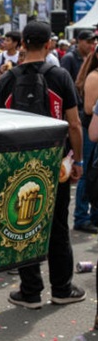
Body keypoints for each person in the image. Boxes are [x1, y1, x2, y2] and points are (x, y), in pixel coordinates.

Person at [0, 20, 85, 309]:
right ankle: (62, 288)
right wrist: (77, 161)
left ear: (21, 43)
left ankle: (30, 290)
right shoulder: (60, 76)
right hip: (55, 164)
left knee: (23, 226)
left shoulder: (9, 78)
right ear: (49, 44)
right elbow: (74, 124)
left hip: (18, 165)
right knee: (58, 226)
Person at [73, 45, 98, 233]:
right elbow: (89, 108)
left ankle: (94, 215)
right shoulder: (94, 77)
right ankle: (81, 216)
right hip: (90, 129)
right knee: (87, 173)